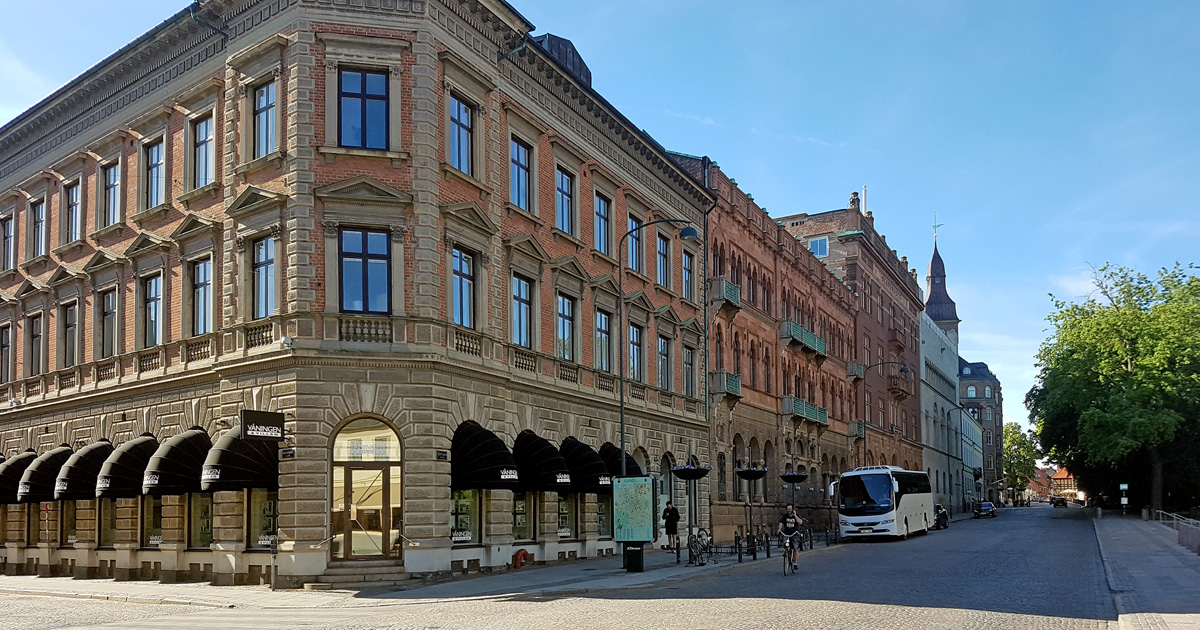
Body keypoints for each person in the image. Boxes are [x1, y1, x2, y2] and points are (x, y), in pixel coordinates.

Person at [777, 503, 805, 571]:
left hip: (794, 534)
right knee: (785, 542)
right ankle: (787, 552)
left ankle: (795, 563)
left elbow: (800, 522)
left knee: (795, 548)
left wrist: (795, 515)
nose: (789, 510)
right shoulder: (785, 516)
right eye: (787, 509)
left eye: (790, 509)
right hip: (787, 533)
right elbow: (781, 523)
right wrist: (779, 529)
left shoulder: (797, 515)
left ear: (792, 509)